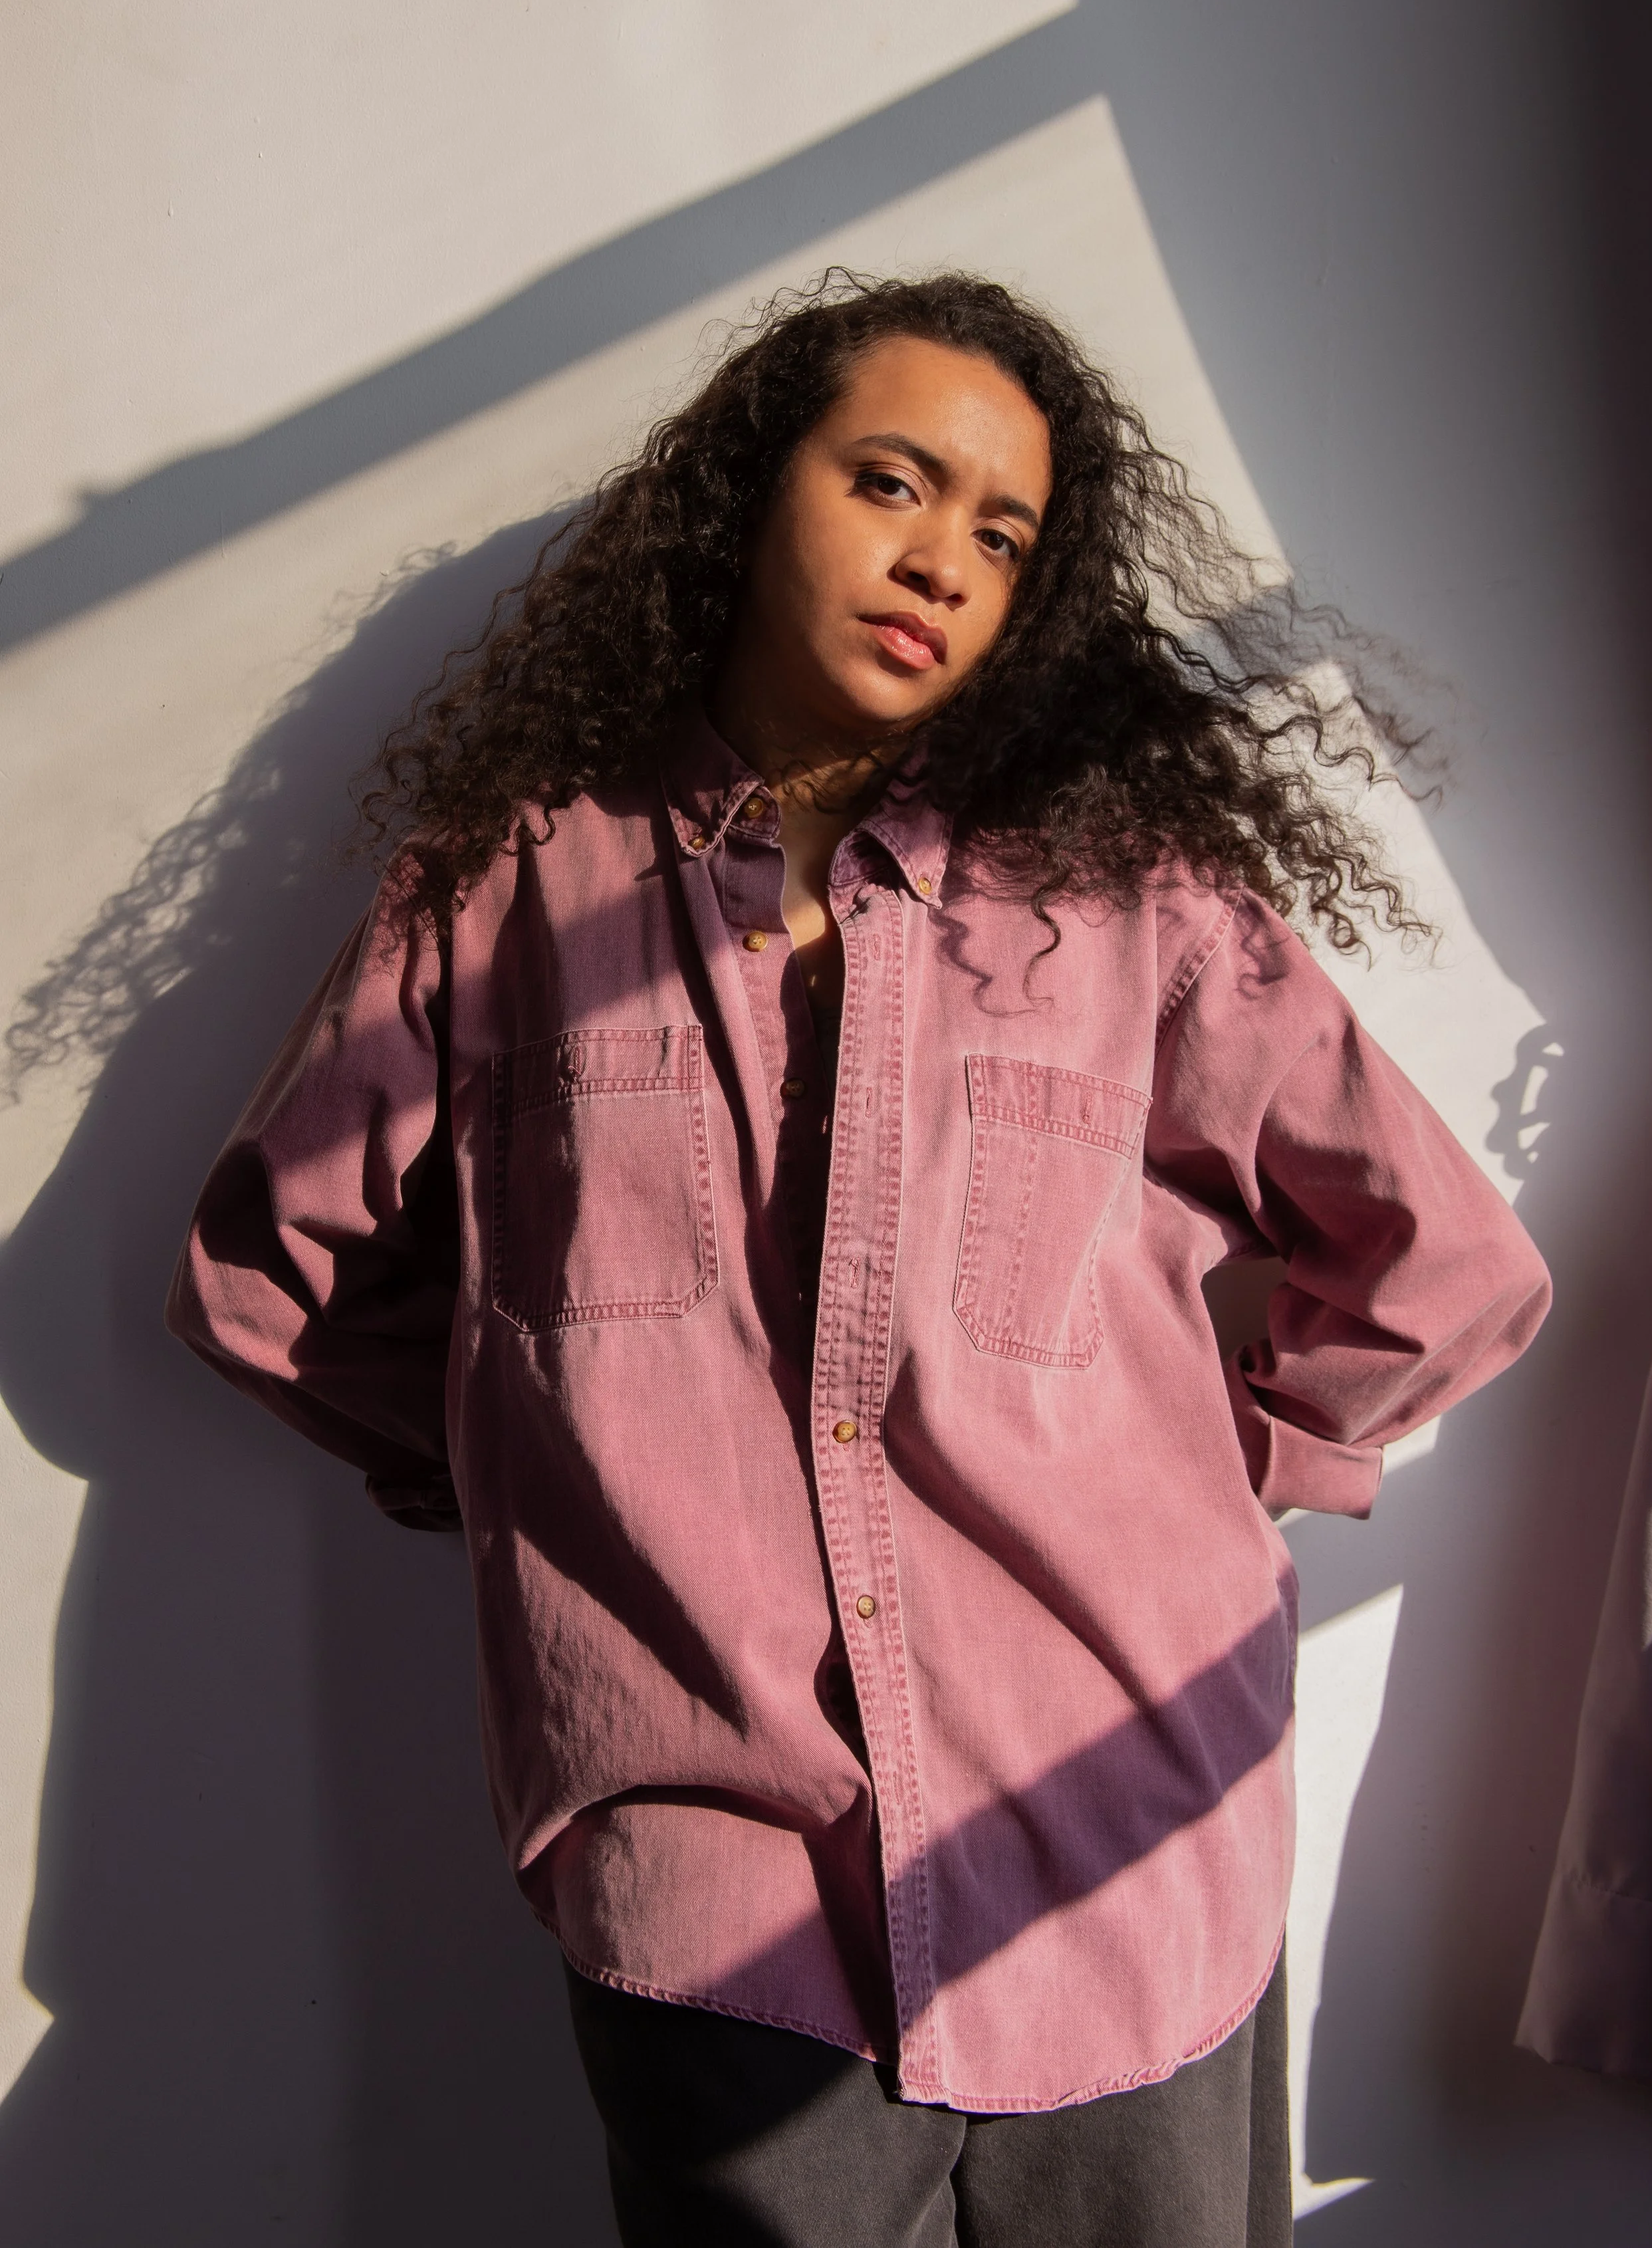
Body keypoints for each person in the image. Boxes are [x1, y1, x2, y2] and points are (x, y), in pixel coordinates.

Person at [166, 271, 1550, 2246]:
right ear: (749, 492)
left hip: (1118, 1830)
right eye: (890, 481)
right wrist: (526, 1485)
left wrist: (1235, 1476)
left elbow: (1442, 1264)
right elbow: (267, 1274)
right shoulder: (510, 885)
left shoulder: (1125, 896)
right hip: (718, 1882)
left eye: (1002, 536)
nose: (941, 561)